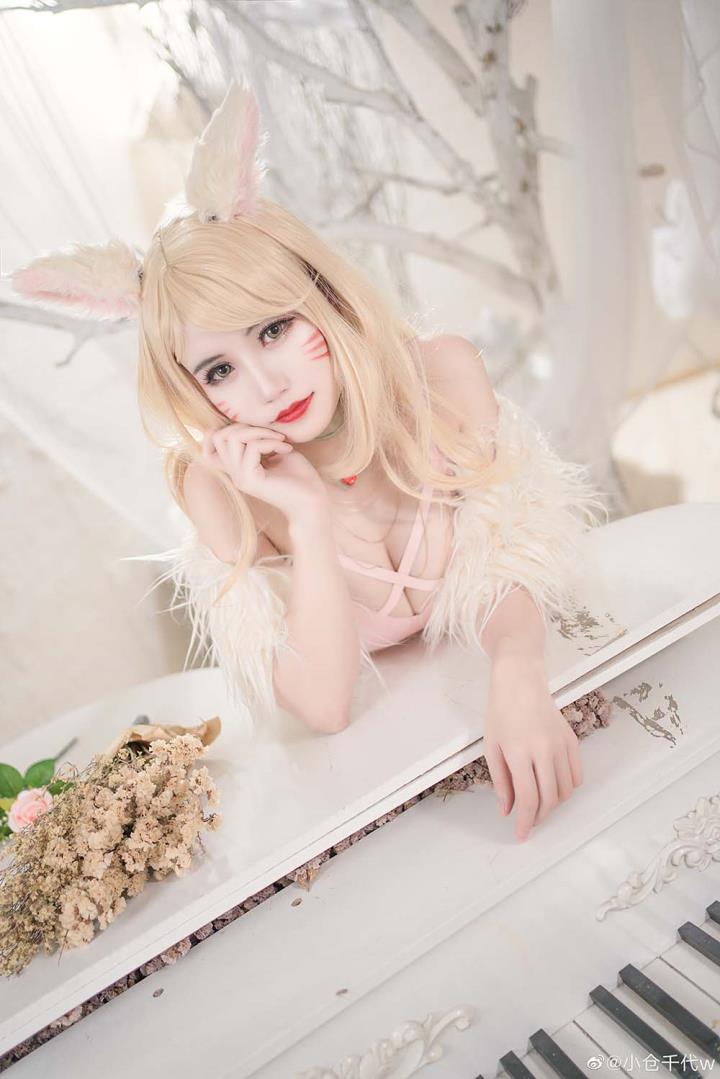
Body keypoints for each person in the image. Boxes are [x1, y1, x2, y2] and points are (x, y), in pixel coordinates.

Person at [10, 78, 608, 842]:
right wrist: (307, 515)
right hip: (379, 792)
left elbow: (504, 555)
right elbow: (325, 707)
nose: (267, 386)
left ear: (321, 294)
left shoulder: (443, 379)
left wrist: (518, 671)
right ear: (193, 389)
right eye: (218, 370)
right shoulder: (222, 491)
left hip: (529, 719)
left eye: (273, 329)